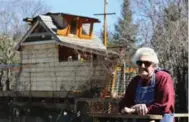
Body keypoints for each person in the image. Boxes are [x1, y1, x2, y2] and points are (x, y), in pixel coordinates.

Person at [119, 47, 175, 122]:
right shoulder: (135, 81)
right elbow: (124, 104)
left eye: (147, 63)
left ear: (154, 66)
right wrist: (133, 107)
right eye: (139, 63)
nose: (142, 66)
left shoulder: (163, 78)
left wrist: (135, 110)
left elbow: (164, 106)